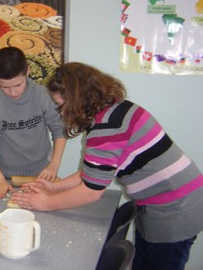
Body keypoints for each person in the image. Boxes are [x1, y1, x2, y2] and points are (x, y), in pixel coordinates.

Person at [12, 62, 203, 270]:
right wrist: (57, 188)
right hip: (172, 200)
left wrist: (46, 203)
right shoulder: (116, 110)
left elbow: (91, 192)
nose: (61, 112)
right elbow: (95, 171)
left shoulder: (106, 128)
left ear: (77, 99)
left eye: (61, 106)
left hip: (175, 209)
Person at [0, 47, 67, 198]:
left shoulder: (43, 95)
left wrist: (54, 164)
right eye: (5, 87)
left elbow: (60, 130)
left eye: (18, 85)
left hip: (42, 174)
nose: (13, 93)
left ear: (27, 71)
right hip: (6, 177)